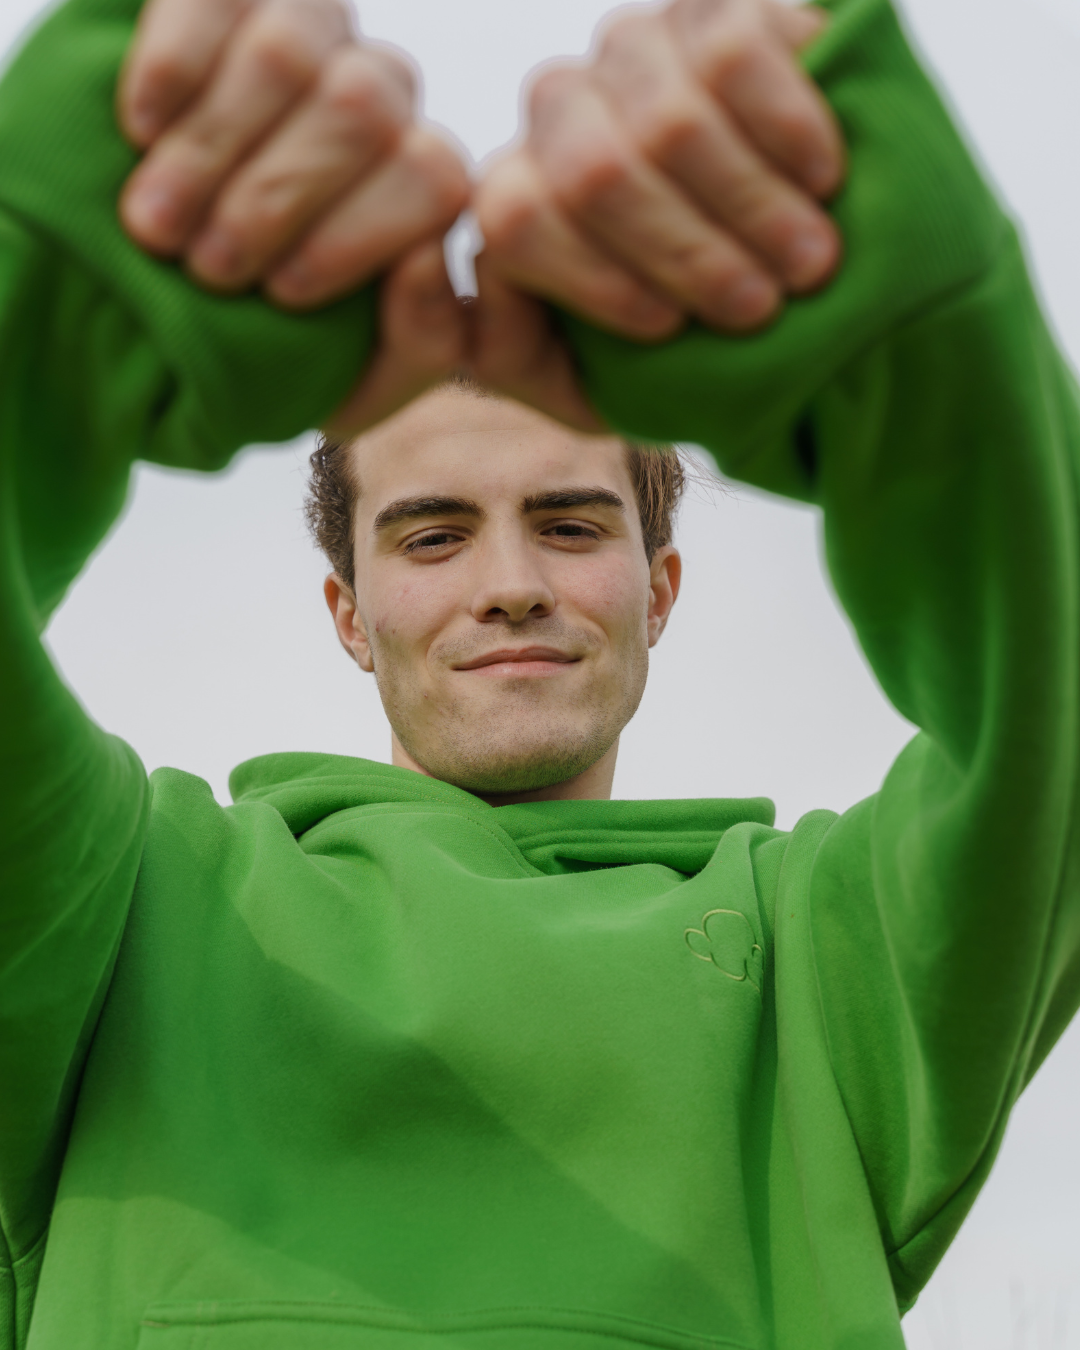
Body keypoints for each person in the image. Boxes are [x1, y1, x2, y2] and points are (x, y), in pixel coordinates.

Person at [0, 1, 1076, 1349]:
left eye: (569, 523)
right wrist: (47, 295)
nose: (508, 579)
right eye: (434, 533)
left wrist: (910, 352)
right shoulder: (122, 913)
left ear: (659, 590)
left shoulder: (830, 973)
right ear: (350, 612)